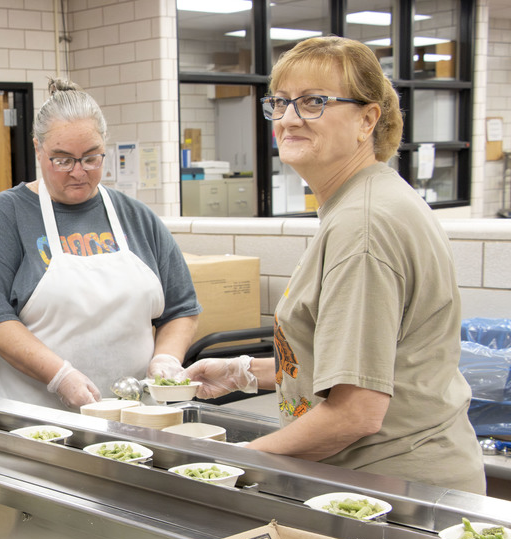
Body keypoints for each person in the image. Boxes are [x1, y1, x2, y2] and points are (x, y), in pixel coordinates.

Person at [183, 36, 485, 494]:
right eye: (280, 103)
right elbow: (355, 365)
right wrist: (243, 372)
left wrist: (228, 464)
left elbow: (355, 412)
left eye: (314, 102)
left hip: (396, 494)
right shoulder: (362, 202)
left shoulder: (363, 227)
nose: (288, 119)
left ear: (367, 119)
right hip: (387, 483)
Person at [0, 78, 201, 410]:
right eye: (62, 159)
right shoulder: (8, 214)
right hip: (33, 413)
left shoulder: (134, 216)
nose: (78, 172)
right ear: (38, 149)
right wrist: (59, 376)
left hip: (135, 413)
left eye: (91, 158)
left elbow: (182, 308)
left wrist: (167, 360)